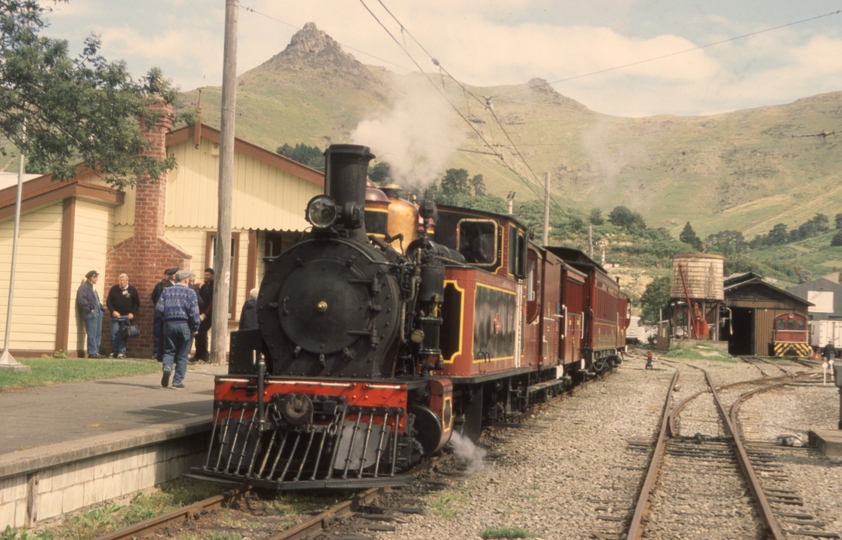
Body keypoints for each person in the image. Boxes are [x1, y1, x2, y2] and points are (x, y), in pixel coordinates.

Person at [156, 270, 200, 389]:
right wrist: (196, 327)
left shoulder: (167, 291)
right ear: (186, 280)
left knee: (169, 350)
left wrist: (165, 318)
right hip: (184, 324)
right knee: (182, 354)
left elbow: (159, 308)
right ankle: (177, 381)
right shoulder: (190, 292)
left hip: (169, 324)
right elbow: (194, 312)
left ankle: (167, 367)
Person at [106, 273, 140, 358]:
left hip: (126, 317)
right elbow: (108, 302)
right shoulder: (114, 289)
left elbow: (136, 303)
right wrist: (112, 311)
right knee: (114, 334)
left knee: (123, 335)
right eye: (120, 280)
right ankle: (114, 352)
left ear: (127, 281)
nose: (121, 282)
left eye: (123, 280)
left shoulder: (132, 290)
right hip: (115, 317)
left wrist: (132, 312)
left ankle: (122, 352)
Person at [150, 267, 178, 359]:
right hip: (163, 314)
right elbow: (155, 298)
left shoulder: (173, 285)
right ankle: (158, 353)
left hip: (166, 314)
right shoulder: (164, 285)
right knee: (159, 333)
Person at [76, 270, 105, 358]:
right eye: (96, 277)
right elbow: (82, 299)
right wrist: (89, 309)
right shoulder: (84, 287)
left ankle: (96, 351)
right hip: (90, 313)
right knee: (92, 333)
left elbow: (95, 300)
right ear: (92, 277)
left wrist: (101, 308)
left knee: (97, 333)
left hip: (97, 313)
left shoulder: (92, 287)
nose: (97, 279)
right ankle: (92, 352)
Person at [193, 268, 214, 361]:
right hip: (201, 314)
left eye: (208, 275)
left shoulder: (214, 287)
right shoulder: (204, 287)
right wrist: (197, 287)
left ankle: (203, 354)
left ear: (212, 275)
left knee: (201, 333)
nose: (206, 277)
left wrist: (205, 314)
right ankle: (199, 354)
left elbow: (212, 302)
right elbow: (200, 300)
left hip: (208, 315)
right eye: (205, 275)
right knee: (199, 334)